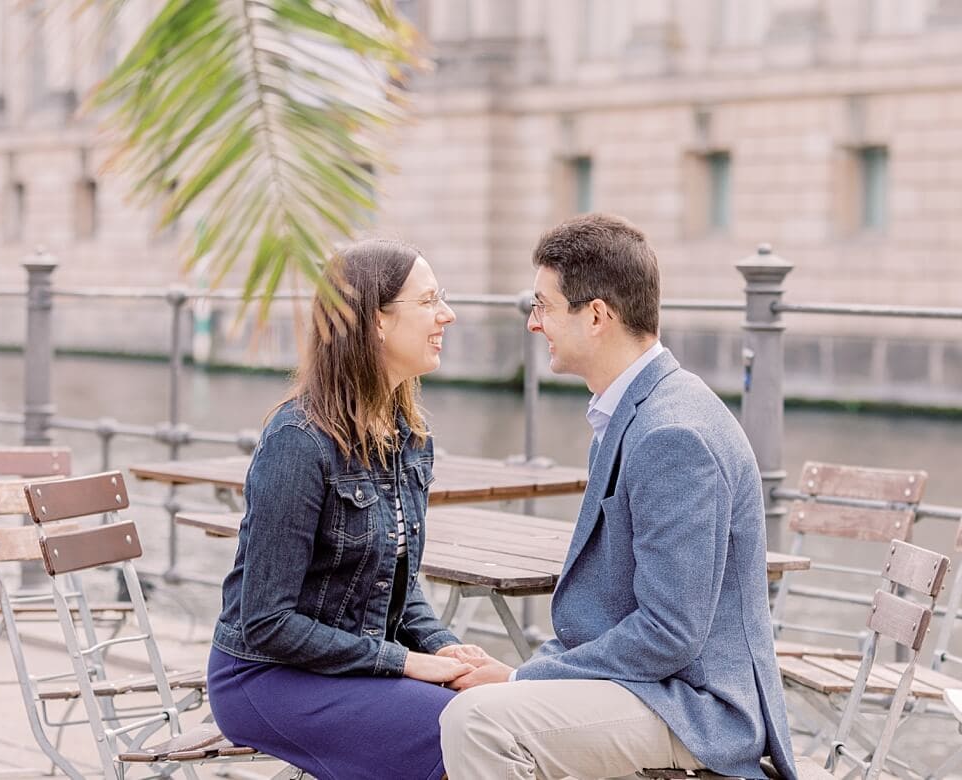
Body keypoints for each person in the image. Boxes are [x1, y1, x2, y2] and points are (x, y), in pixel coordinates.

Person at [439, 214, 799, 780]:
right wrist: (525, 675)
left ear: (598, 316)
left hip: (696, 708)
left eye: (544, 306)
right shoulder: (635, 410)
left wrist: (518, 679)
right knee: (470, 710)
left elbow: (669, 633)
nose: (533, 324)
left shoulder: (671, 433)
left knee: (480, 722)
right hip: (655, 688)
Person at [206, 238, 482, 780]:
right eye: (429, 301)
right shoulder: (298, 441)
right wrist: (406, 662)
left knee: (488, 708)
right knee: (462, 727)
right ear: (376, 321)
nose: (446, 314)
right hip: (265, 676)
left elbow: (400, 592)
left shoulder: (410, 438)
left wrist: (448, 651)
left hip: (349, 666)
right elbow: (267, 623)